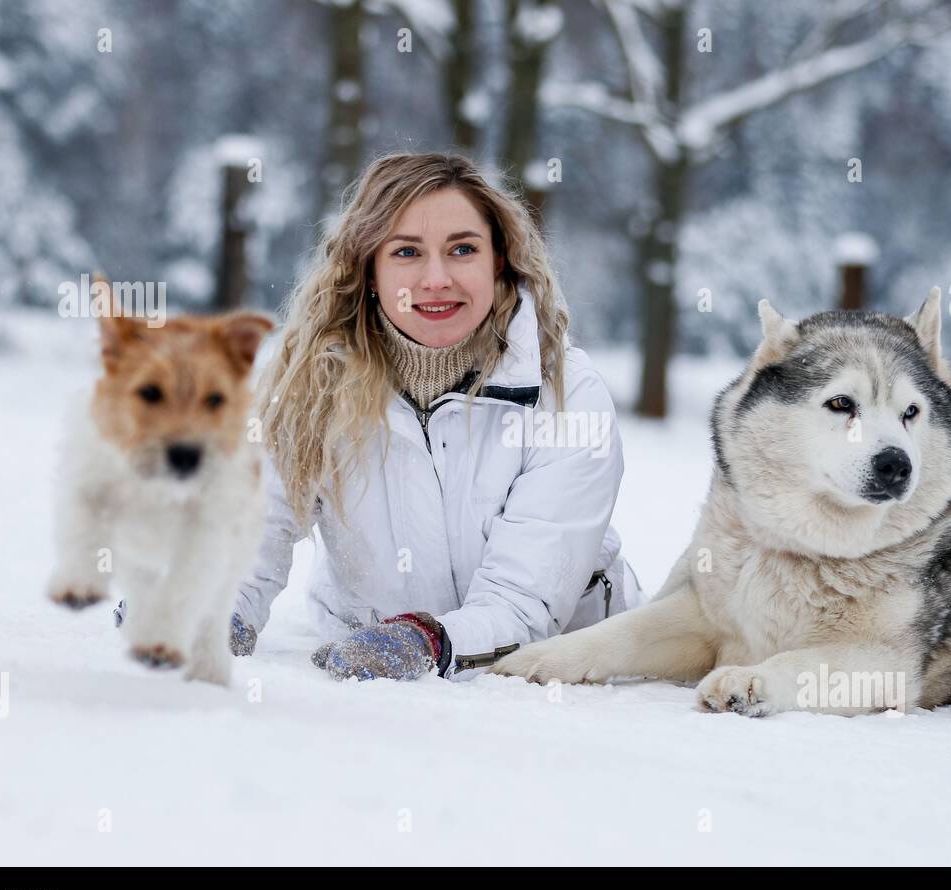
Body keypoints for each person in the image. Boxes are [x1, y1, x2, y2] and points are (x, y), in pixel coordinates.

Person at [231, 152, 642, 681]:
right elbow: (255, 527)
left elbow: (525, 600)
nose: (436, 278)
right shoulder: (312, 381)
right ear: (369, 269)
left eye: (463, 250)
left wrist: (425, 641)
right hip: (366, 674)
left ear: (498, 261)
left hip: (567, 679)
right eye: (406, 252)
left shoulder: (566, 392)